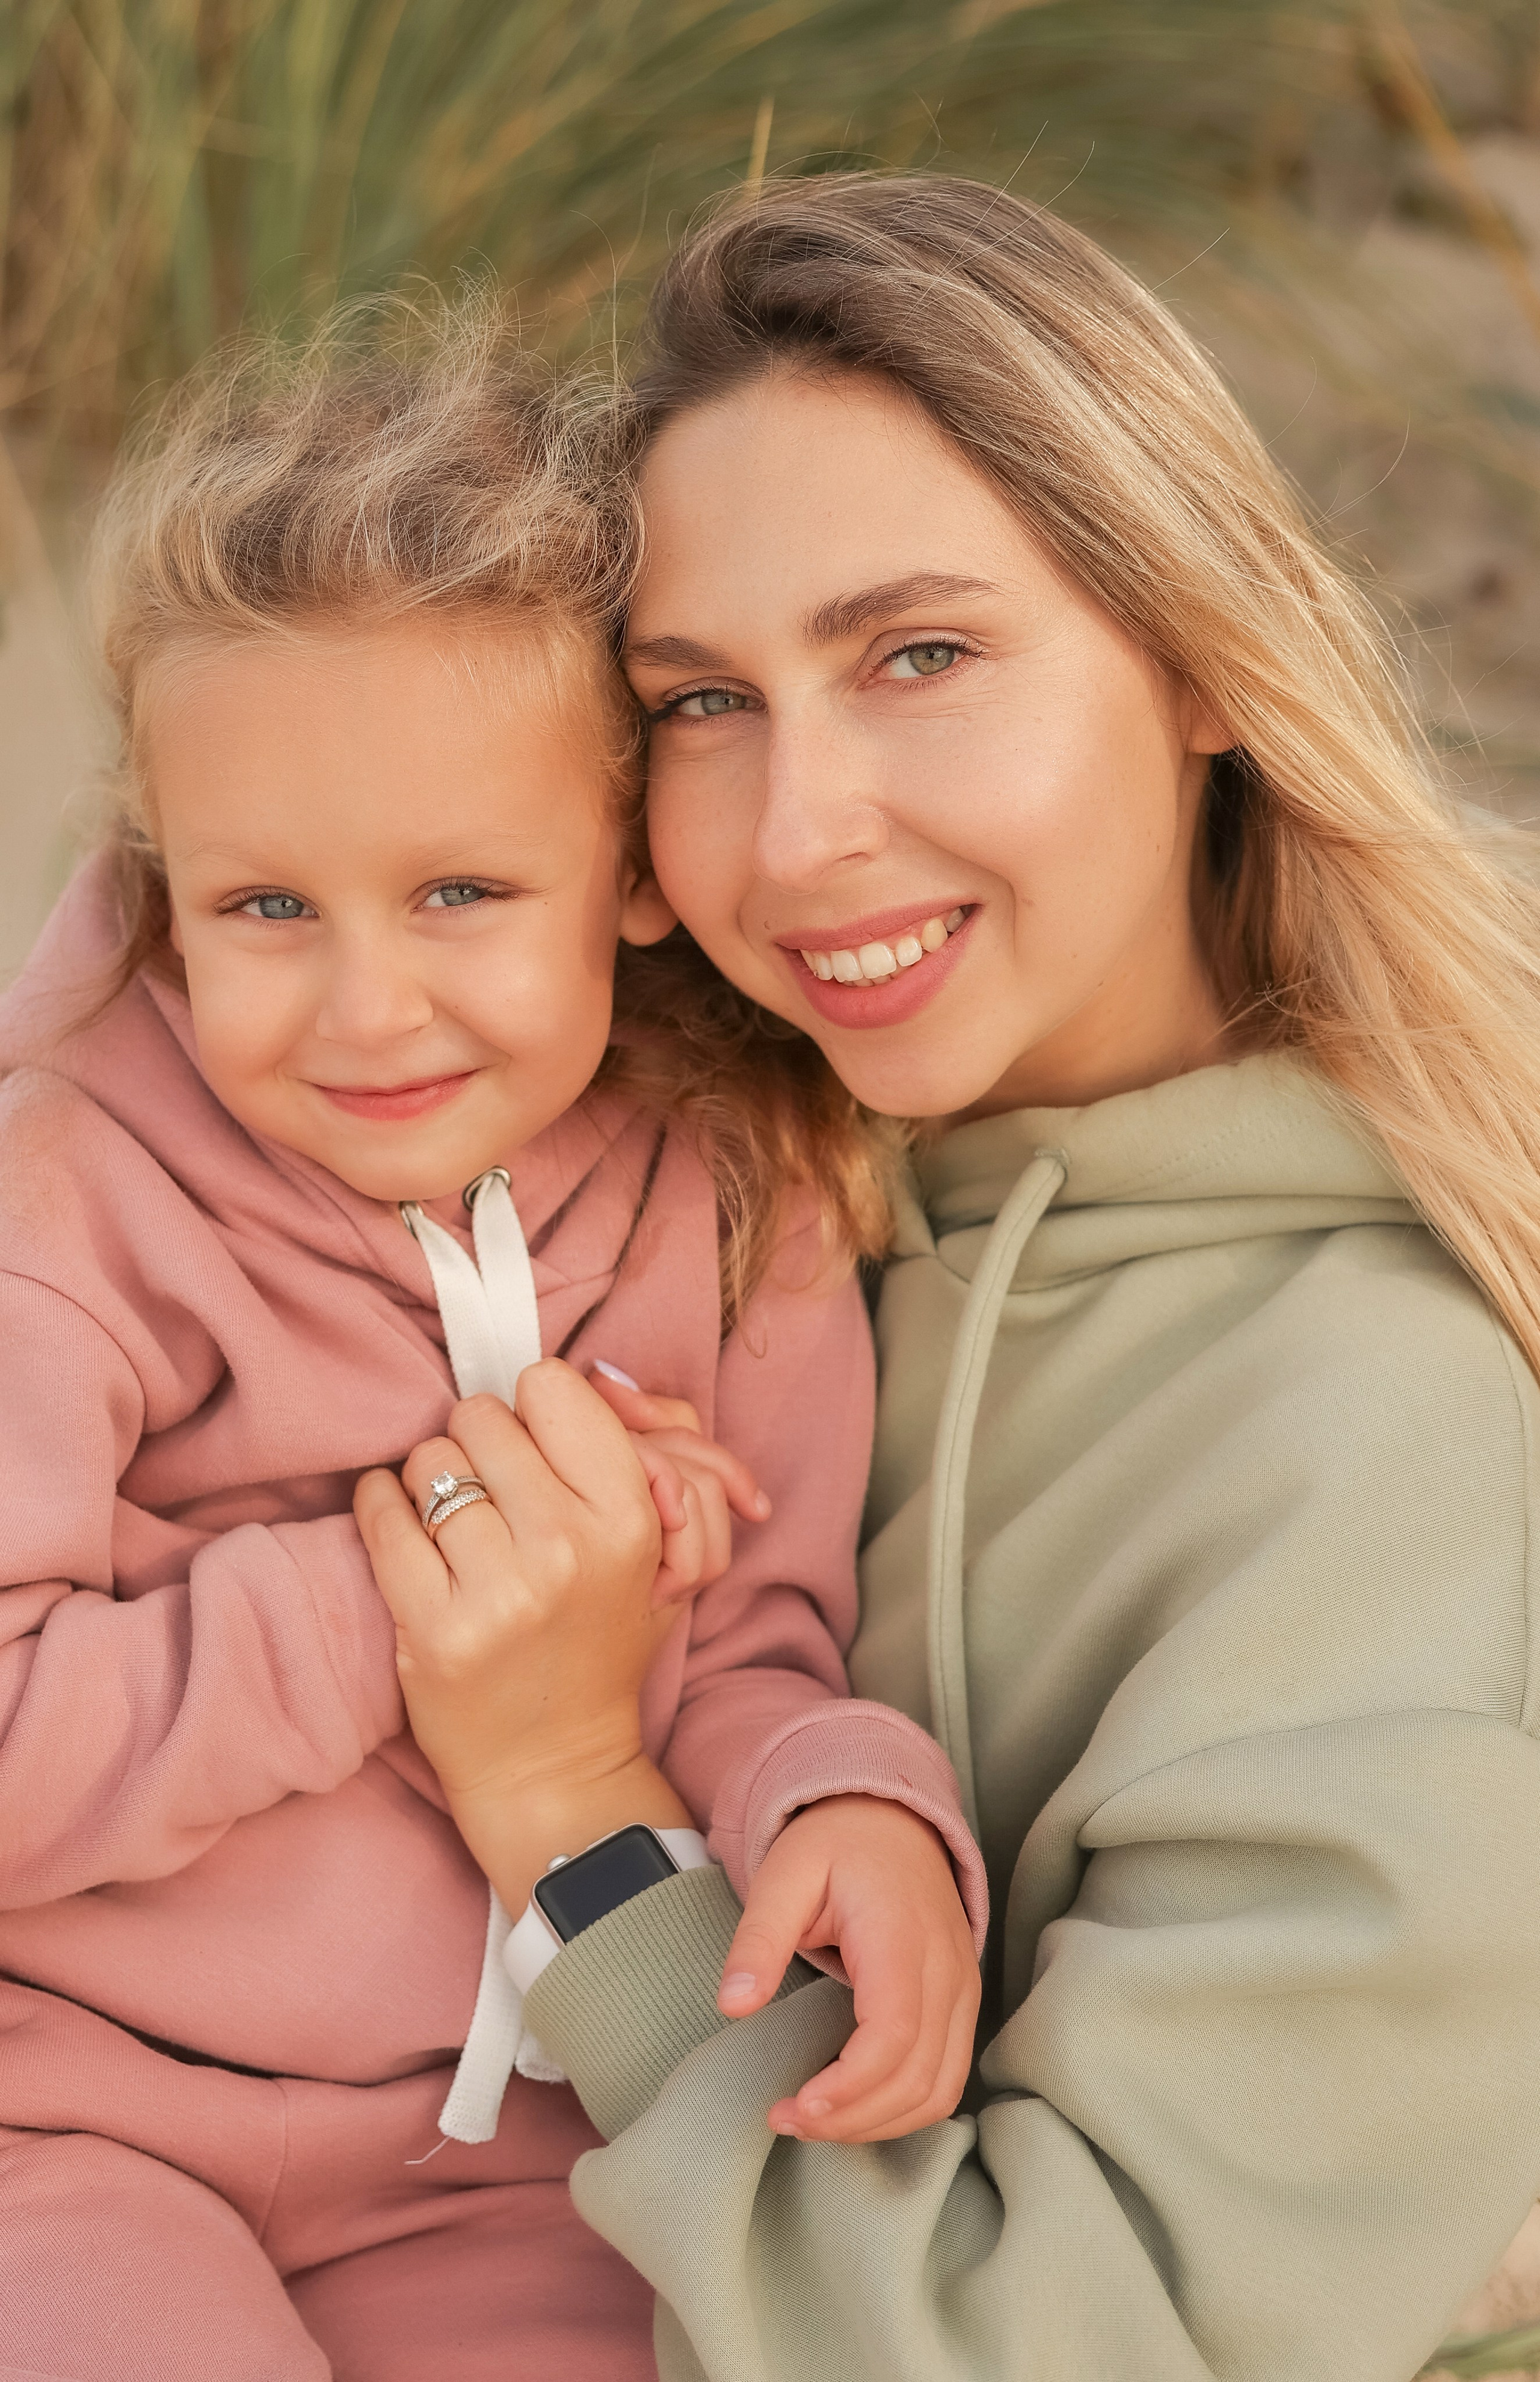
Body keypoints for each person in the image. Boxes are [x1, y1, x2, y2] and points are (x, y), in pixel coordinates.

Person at [363, 177, 1540, 2380]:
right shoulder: (710, 1195)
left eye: (920, 654)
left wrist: (577, 1822)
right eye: (702, 701)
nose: (796, 830)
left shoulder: (1395, 1433)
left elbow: (1038, 2347)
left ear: (1200, 661)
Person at [0, 310, 984, 2382]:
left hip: (519, 2154)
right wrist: (397, 1597)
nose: (367, 1013)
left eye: (460, 891)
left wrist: (855, 1805)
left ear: (627, 874)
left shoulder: (737, 1192)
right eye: (269, 908)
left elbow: (766, 1644)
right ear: (169, 881)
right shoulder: (63, 1200)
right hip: (71, 2130)